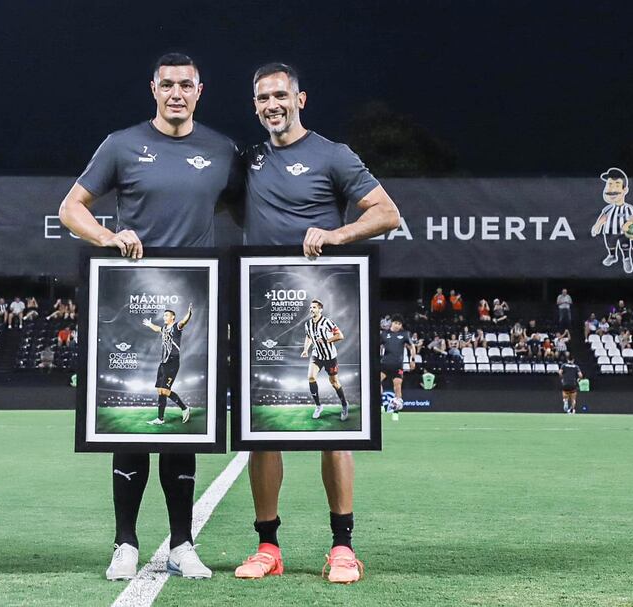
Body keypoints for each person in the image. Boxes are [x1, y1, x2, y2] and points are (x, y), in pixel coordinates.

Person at [59, 53, 240, 581]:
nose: (177, 92)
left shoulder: (221, 150)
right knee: (134, 425)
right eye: (168, 85)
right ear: (154, 90)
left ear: (200, 90)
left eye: (186, 84)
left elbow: (249, 208)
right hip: (133, 301)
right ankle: (125, 543)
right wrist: (108, 237)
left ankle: (183, 543)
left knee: (185, 438)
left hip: (193, 306)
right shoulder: (121, 144)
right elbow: (72, 207)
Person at [235, 62, 399, 584]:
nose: (272, 105)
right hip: (262, 309)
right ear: (255, 104)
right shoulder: (250, 159)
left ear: (300, 99)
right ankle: (268, 547)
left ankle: (342, 547)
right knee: (261, 433)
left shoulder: (333, 154)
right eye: (263, 98)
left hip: (321, 302)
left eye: (280, 95)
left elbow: (386, 212)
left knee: (336, 433)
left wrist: (336, 235)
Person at [142, 305, 193, 425]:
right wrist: (150, 325)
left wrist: (189, 314)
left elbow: (183, 322)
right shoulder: (165, 328)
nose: (164, 317)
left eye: (166, 315)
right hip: (163, 362)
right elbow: (157, 329)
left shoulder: (176, 327)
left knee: (165, 390)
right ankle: (160, 419)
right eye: (164, 315)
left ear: (173, 317)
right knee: (160, 391)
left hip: (172, 362)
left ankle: (185, 408)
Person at [301, 300, 349, 421]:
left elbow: (340, 336)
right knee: (311, 377)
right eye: (310, 307)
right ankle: (318, 406)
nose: (311, 309)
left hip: (330, 357)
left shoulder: (327, 322)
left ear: (320, 309)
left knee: (334, 382)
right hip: (316, 355)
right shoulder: (308, 324)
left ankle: (344, 405)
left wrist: (327, 340)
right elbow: (308, 337)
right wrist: (306, 349)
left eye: (314, 307)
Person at [380, 314, 415, 410]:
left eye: (399, 324)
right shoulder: (384, 334)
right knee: (376, 381)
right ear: (392, 323)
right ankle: (381, 404)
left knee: (398, 386)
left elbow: (412, 346)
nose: (397, 325)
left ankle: (396, 412)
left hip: (398, 366)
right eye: (396, 323)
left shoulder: (404, 334)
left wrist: (412, 360)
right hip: (384, 364)